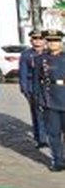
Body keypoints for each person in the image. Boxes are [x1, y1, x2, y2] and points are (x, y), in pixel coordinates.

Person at [34, 29, 65, 172]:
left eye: (56, 40)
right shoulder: (41, 59)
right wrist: (38, 99)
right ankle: (58, 160)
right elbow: (36, 81)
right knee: (54, 133)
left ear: (61, 42)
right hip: (50, 100)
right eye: (50, 40)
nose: (53, 43)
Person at [19, 29, 48, 148]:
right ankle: (40, 138)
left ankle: (51, 135)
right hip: (33, 85)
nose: (37, 41)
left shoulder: (49, 52)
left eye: (40, 39)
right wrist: (25, 89)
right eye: (35, 39)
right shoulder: (26, 54)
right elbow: (23, 73)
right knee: (37, 113)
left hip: (48, 85)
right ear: (31, 40)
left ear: (44, 40)